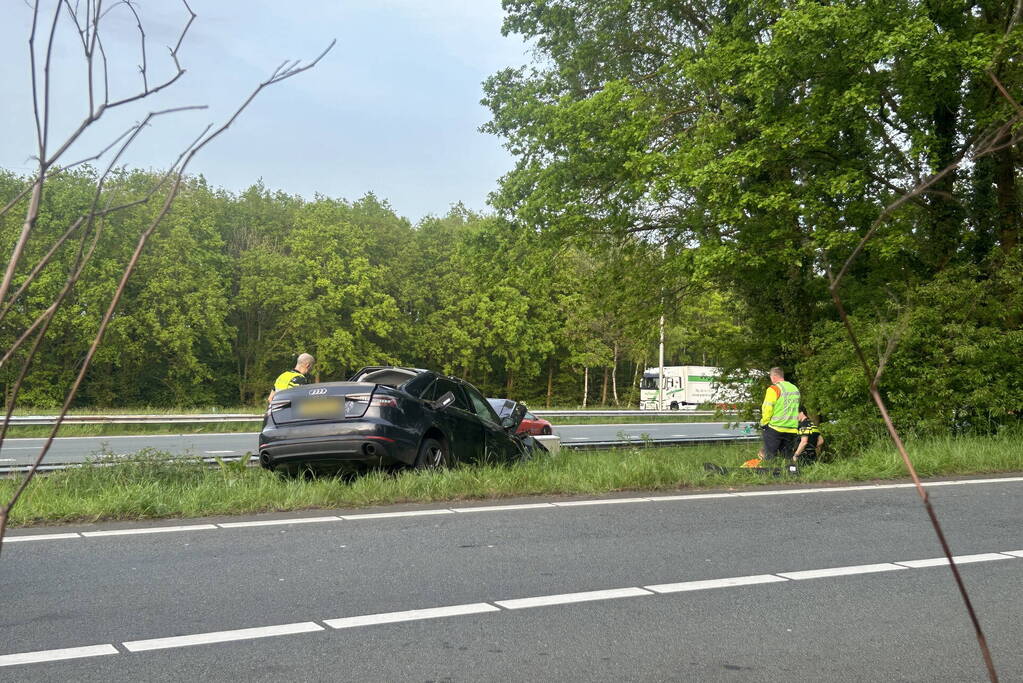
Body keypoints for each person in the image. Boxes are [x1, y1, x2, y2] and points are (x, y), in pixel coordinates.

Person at [758, 366, 800, 461]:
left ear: (773, 376)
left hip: (775, 428)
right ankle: (788, 470)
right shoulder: (795, 388)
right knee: (787, 457)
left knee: (770, 457)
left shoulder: (774, 389)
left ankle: (770, 470)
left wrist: (764, 423)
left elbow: (767, 409)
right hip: (791, 428)